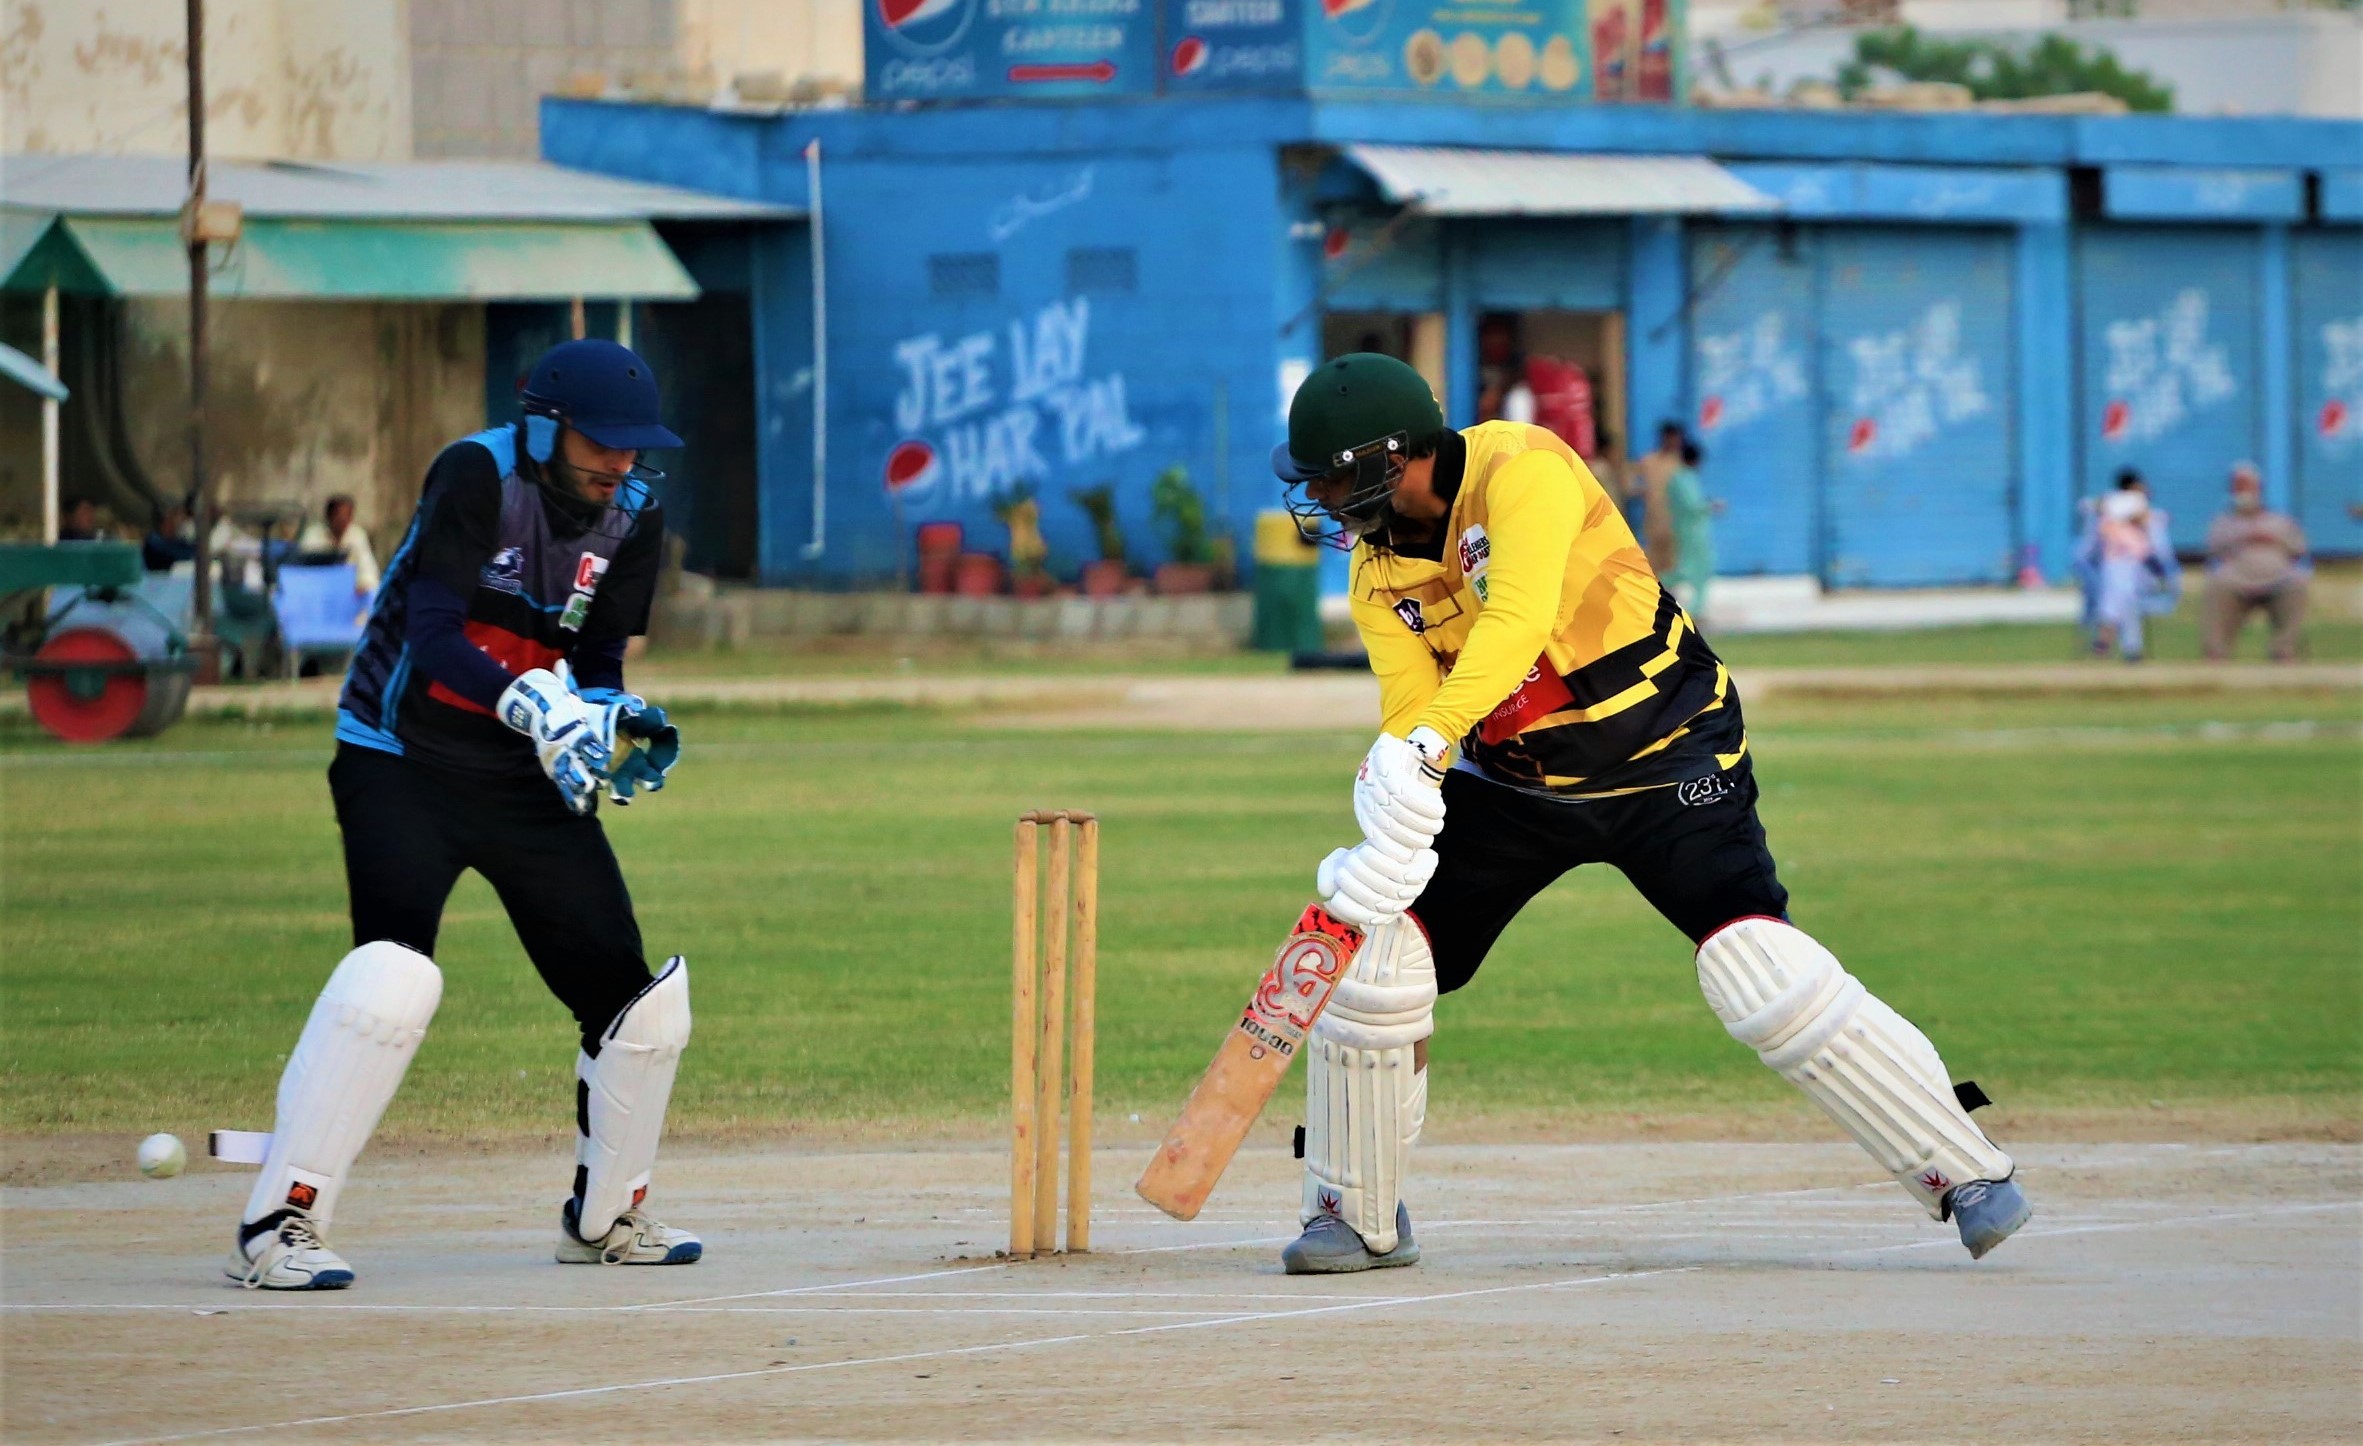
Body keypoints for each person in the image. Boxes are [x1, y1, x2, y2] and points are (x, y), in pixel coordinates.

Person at [1269, 353, 2031, 1275]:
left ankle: (1965, 1172)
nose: (1318, 496)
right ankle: (1352, 1215)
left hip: (1667, 756)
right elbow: (1408, 708)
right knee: (1377, 962)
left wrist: (1424, 740)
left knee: (1757, 968)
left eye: (1330, 476)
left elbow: (1517, 619)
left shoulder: (1522, 467)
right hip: (1517, 787)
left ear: (1396, 457)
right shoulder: (1375, 571)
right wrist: (1390, 810)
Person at [225, 340, 693, 1291]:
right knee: (389, 979)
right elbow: (432, 638)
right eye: (601, 442)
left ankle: (604, 1218)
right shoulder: (476, 473)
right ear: (545, 429)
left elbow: (596, 659)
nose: (619, 462)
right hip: (401, 759)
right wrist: (528, 700)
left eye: (633, 445)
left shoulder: (633, 512)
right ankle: (279, 1226)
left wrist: (609, 716)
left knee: (634, 1005)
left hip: (523, 775)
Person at [2201, 463, 2310, 662]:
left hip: (2277, 578)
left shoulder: (2280, 521)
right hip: (2236, 579)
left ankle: (2284, 651)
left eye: (2246, 485)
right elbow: (2214, 551)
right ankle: (2216, 653)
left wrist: (2272, 542)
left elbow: (2298, 551)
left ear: (2258, 488)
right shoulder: (2223, 522)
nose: (2242, 491)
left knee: (2297, 583)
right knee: (2217, 584)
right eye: (2238, 485)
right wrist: (2244, 540)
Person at [1661, 437, 1720, 616]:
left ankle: (1696, 606)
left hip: (1690, 529)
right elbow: (1692, 505)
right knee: (1693, 568)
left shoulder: (1682, 477)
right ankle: (1694, 607)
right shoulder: (1682, 479)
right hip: (1692, 530)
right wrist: (1711, 506)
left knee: (1693, 567)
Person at [298, 493, 382, 596]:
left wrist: (364, 584)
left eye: (347, 516)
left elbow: (368, 568)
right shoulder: (313, 536)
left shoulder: (357, 536)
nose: (343, 521)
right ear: (329, 516)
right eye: (339, 516)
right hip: (319, 591)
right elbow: (304, 571)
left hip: (352, 593)